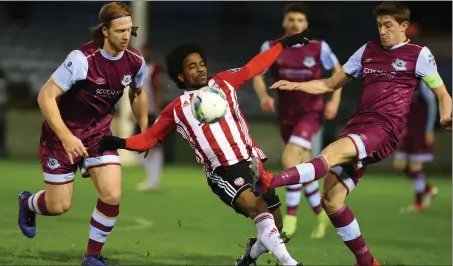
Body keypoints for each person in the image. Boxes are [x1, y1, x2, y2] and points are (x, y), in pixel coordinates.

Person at [254, 2, 452, 266]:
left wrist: (445, 115)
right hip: (357, 126)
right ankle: (367, 261)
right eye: (379, 25)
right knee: (332, 200)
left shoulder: (419, 54)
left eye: (388, 25)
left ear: (404, 26)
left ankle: (271, 181)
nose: (382, 31)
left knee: (329, 154)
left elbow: (442, 93)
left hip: (384, 130)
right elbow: (329, 83)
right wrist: (296, 84)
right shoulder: (367, 51)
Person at [98, 33, 310, 266]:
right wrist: (120, 142)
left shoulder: (224, 82)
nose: (199, 69)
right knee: (259, 209)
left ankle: (250, 255)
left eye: (201, 64)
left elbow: (254, 66)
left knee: (275, 227)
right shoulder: (176, 109)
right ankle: (291, 264)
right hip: (224, 171)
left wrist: (281, 45)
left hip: (253, 161)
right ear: (181, 76)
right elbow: (150, 137)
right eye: (192, 66)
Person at [17, 3, 149, 266]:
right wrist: (66, 136)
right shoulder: (82, 59)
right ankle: (27, 204)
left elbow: (138, 92)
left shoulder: (135, 61)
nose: (126, 35)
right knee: (58, 206)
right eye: (120, 30)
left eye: (129, 30)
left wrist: (145, 129)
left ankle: (92, 256)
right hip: (60, 137)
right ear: (104, 30)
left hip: (98, 136)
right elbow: (45, 97)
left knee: (112, 195)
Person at [253, 2, 343, 238]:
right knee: (298, 168)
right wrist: (264, 97)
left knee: (289, 158)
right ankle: (322, 216)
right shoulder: (270, 47)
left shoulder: (318, 48)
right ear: (285, 22)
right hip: (286, 115)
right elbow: (257, 75)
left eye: (300, 20)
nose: (295, 24)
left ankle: (290, 218)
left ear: (306, 24)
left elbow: (339, 73)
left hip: (311, 112)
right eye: (291, 19)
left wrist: (333, 102)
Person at [393, 81, 438, 213]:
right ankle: (428, 189)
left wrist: (429, 129)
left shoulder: (423, 83)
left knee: (415, 166)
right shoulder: (402, 81)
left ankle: (418, 203)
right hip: (407, 130)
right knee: (399, 164)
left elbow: (432, 105)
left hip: (420, 130)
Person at [134, 43, 165, 191]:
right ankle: (152, 179)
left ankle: (154, 180)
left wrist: (159, 110)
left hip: (152, 112)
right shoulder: (137, 70)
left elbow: (159, 89)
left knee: (155, 146)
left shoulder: (155, 69)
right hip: (141, 112)